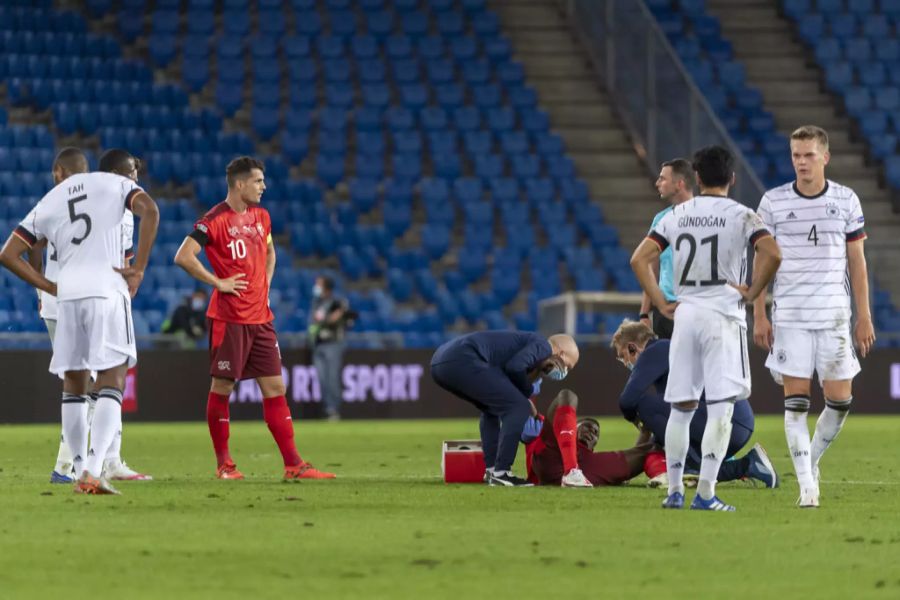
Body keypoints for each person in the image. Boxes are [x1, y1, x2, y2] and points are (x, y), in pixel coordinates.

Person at [0, 147, 160, 495]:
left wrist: (49, 285)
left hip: (67, 295)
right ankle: (93, 467)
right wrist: (140, 268)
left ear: (60, 171)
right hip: (106, 289)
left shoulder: (50, 199)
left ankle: (73, 467)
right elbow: (151, 210)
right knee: (111, 379)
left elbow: (8, 254)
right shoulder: (114, 184)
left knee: (74, 384)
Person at [631, 145, 782, 511]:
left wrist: (659, 300)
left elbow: (639, 258)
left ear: (696, 178)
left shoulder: (676, 215)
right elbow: (773, 253)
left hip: (685, 316)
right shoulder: (742, 215)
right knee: (721, 409)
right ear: (732, 178)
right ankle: (706, 494)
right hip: (722, 317)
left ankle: (674, 492)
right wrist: (752, 292)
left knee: (681, 410)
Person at [173, 156, 334, 481]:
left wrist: (265, 285)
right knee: (222, 386)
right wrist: (217, 283)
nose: (264, 187)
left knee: (276, 386)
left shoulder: (262, 216)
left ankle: (294, 465)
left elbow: (270, 253)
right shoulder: (213, 220)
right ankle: (224, 465)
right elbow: (183, 256)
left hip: (261, 318)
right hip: (229, 319)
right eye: (259, 181)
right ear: (240, 184)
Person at [753, 125, 875, 508]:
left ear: (825, 156)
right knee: (796, 403)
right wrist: (760, 313)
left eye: (808, 155)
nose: (801, 162)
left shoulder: (846, 200)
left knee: (840, 402)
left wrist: (864, 316)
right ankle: (807, 487)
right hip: (790, 317)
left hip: (835, 317)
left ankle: (813, 461)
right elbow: (761, 262)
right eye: (795, 155)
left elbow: (857, 262)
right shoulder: (772, 202)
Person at [611, 319, 777, 488]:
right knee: (681, 456)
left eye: (623, 356)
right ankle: (750, 464)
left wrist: (636, 419)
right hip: (736, 422)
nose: (626, 363)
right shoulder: (669, 350)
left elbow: (627, 401)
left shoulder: (655, 350)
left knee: (644, 404)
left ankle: (690, 465)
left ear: (632, 347)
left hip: (728, 419)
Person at [430, 330, 580, 487]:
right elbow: (515, 367)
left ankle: (492, 470)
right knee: (518, 406)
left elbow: (510, 371)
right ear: (561, 354)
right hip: (463, 358)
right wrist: (526, 392)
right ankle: (502, 473)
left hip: (441, 362)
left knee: (491, 410)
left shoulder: (522, 344)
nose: (565, 372)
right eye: (568, 366)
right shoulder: (544, 346)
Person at [524, 389, 654, 487]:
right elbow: (531, 408)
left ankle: (669, 478)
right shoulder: (548, 437)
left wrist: (645, 429)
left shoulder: (595, 462)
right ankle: (571, 471)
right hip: (553, 457)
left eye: (595, 433)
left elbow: (639, 451)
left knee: (655, 447)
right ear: (570, 426)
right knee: (567, 395)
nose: (591, 431)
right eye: (586, 426)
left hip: (586, 468)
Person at [639, 159, 695, 339]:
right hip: (665, 312)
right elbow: (651, 269)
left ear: (679, 184)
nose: (657, 183)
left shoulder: (706, 217)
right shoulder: (661, 220)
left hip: (694, 308)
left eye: (662, 179)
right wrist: (644, 314)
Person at [308, 276, 348, 421]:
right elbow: (313, 322)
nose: (316, 287)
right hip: (318, 345)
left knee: (332, 378)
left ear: (326, 287)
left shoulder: (336, 302)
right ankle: (328, 408)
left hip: (333, 344)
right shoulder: (316, 302)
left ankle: (334, 409)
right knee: (322, 379)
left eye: (318, 284)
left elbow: (340, 317)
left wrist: (325, 320)